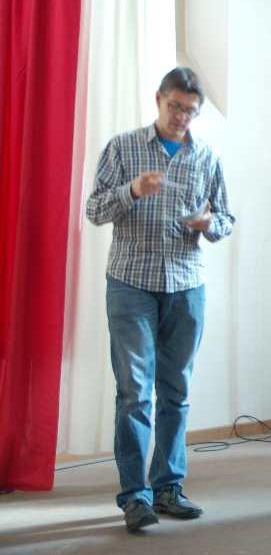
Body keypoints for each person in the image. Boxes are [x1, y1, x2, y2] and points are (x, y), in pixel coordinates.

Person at [86, 67, 234, 532]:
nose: (181, 116)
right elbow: (94, 209)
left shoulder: (206, 157)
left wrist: (208, 225)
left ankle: (168, 487)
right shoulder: (123, 148)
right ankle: (135, 495)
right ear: (158, 100)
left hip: (186, 285)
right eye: (175, 106)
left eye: (190, 110)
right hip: (130, 283)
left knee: (177, 391)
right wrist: (132, 190)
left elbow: (226, 219)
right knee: (134, 392)